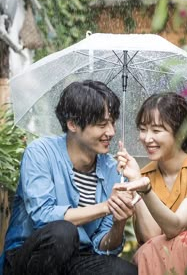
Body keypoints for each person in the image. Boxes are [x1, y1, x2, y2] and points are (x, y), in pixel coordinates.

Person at [1, 80, 137, 275]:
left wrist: (119, 220)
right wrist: (106, 207)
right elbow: (43, 216)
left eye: (112, 122)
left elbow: (104, 247)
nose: (111, 132)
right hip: (29, 257)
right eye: (102, 124)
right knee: (63, 233)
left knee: (126, 272)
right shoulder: (40, 152)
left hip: (78, 258)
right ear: (72, 124)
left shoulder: (112, 169)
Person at [114, 92, 187, 275]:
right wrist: (135, 180)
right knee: (150, 248)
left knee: (183, 240)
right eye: (143, 129)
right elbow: (152, 237)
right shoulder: (144, 176)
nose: (147, 138)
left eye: (156, 131)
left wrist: (146, 190)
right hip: (158, 261)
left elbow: (175, 227)